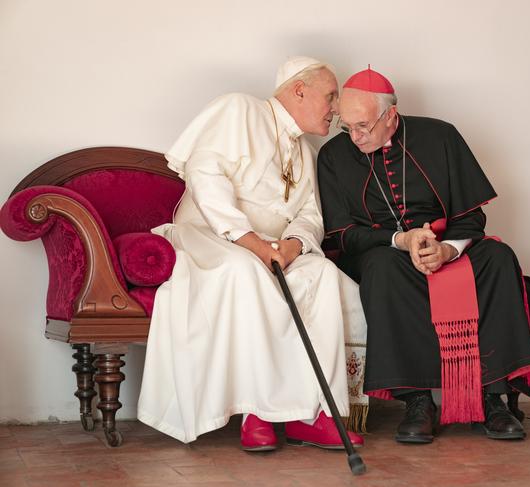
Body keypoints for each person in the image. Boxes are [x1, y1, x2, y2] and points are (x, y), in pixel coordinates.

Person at [317, 67, 530, 444]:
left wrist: (446, 249)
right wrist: (401, 240)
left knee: (499, 258)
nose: (354, 137)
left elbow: (472, 216)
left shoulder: (441, 136)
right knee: (381, 268)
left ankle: (492, 399)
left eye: (363, 127)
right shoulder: (333, 157)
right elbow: (343, 233)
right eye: (347, 127)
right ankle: (418, 402)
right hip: (386, 251)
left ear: (390, 116)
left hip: (448, 245)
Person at [137, 56, 364, 451]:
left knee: (322, 275)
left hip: (273, 249)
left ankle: (314, 413)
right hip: (211, 236)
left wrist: (293, 245)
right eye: (330, 96)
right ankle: (256, 412)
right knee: (247, 271)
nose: (335, 108)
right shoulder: (240, 109)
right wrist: (252, 243)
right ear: (299, 89)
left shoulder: (307, 152)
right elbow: (205, 177)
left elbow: (310, 214)